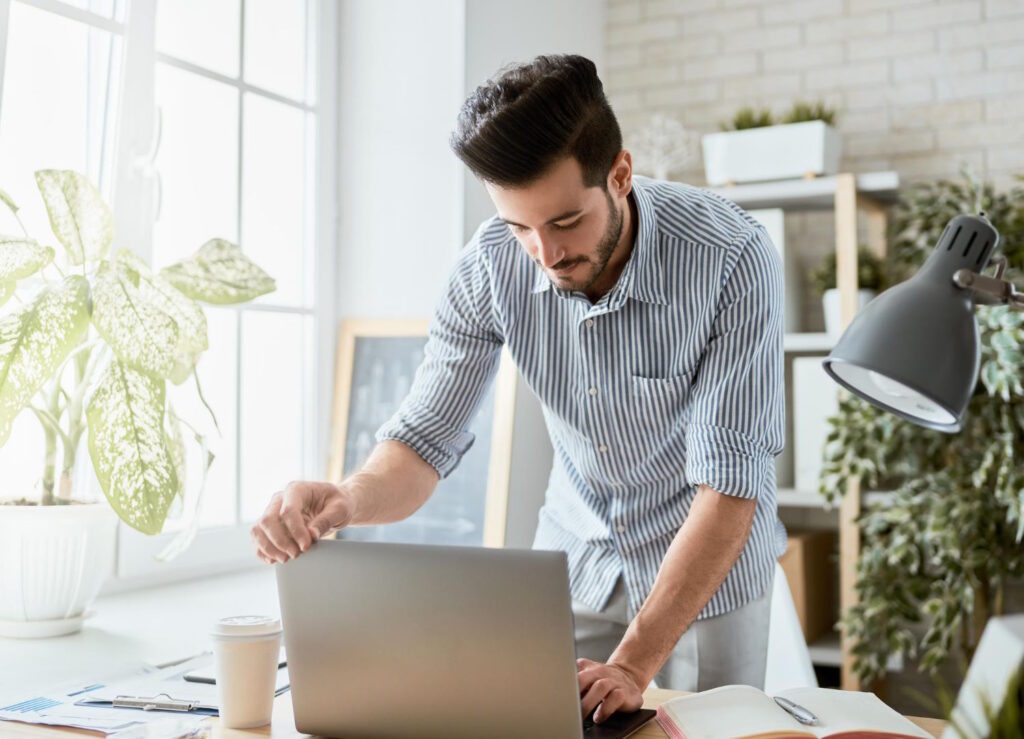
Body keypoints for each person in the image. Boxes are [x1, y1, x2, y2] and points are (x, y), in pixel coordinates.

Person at [251, 54, 785, 725]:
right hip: (578, 559)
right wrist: (347, 498)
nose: (546, 252)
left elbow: (732, 485)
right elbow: (422, 441)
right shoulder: (488, 267)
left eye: (565, 223)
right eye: (520, 227)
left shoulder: (733, 257)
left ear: (620, 174)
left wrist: (632, 662)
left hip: (712, 579)